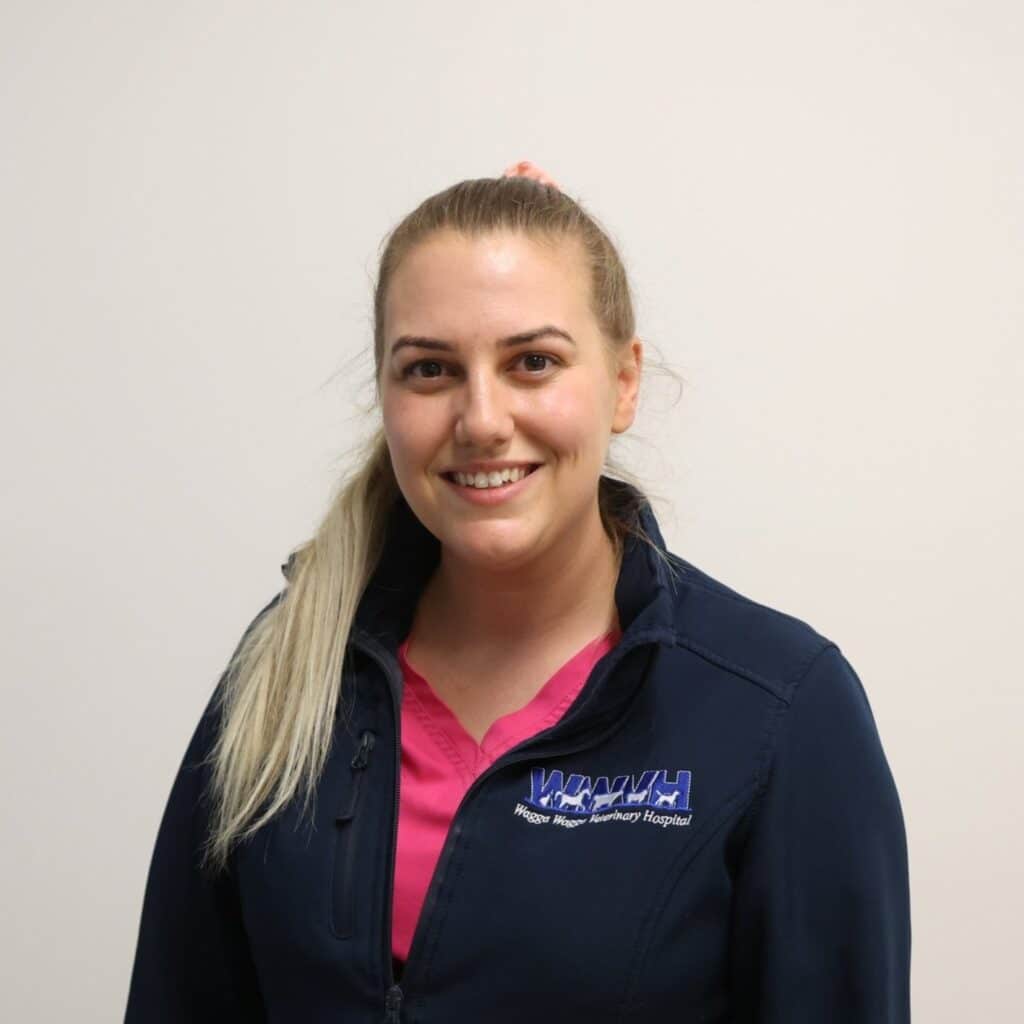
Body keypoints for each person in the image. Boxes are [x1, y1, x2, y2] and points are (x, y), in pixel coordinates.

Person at [124, 161, 911, 1022]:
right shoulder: (287, 665)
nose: (483, 420)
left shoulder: (780, 707)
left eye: (533, 361)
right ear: (384, 395)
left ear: (623, 382)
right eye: (430, 370)